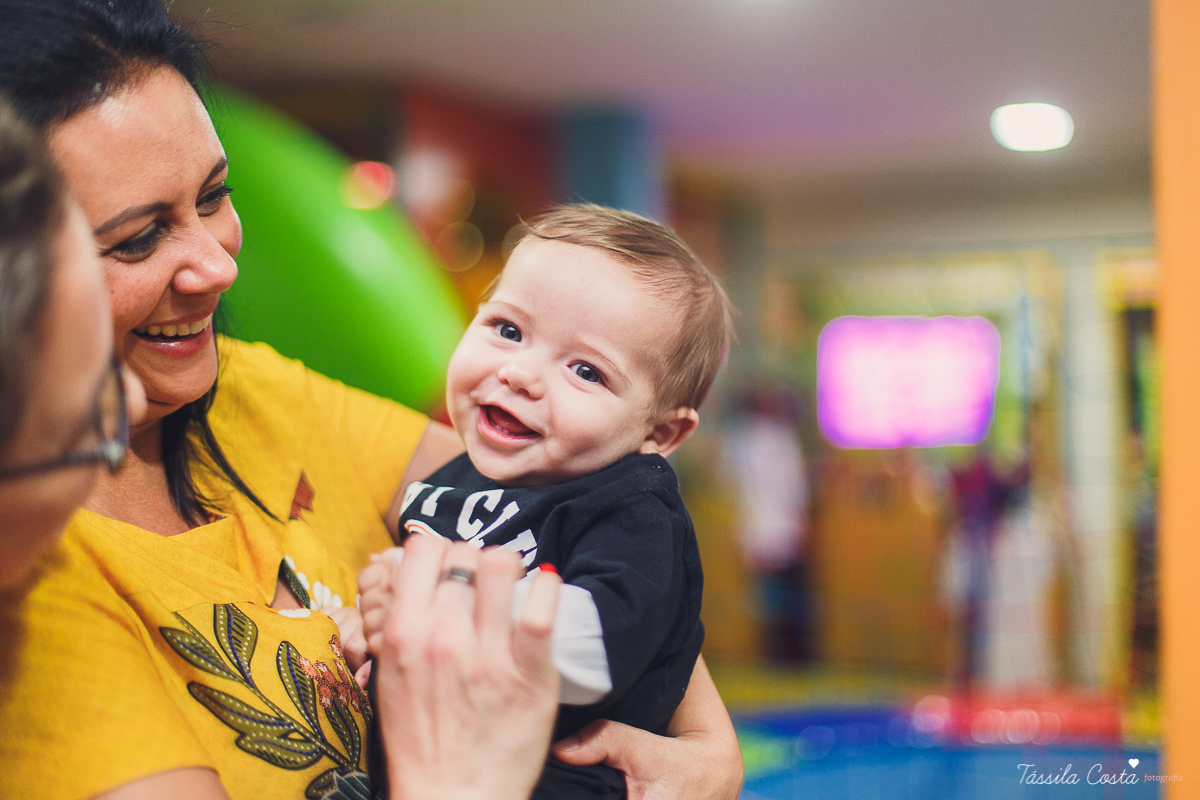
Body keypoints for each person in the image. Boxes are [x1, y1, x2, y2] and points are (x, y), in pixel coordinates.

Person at [0, 2, 743, 799]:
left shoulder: (249, 389)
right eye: (139, 237)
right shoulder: (35, 571)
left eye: (214, 196)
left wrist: (708, 752)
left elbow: (580, 515)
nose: (218, 266)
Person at [357, 205, 732, 799]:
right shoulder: (457, 478)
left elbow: (598, 647)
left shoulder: (633, 508)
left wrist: (438, 597)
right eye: (508, 330)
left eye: (586, 371)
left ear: (657, 435)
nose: (521, 374)